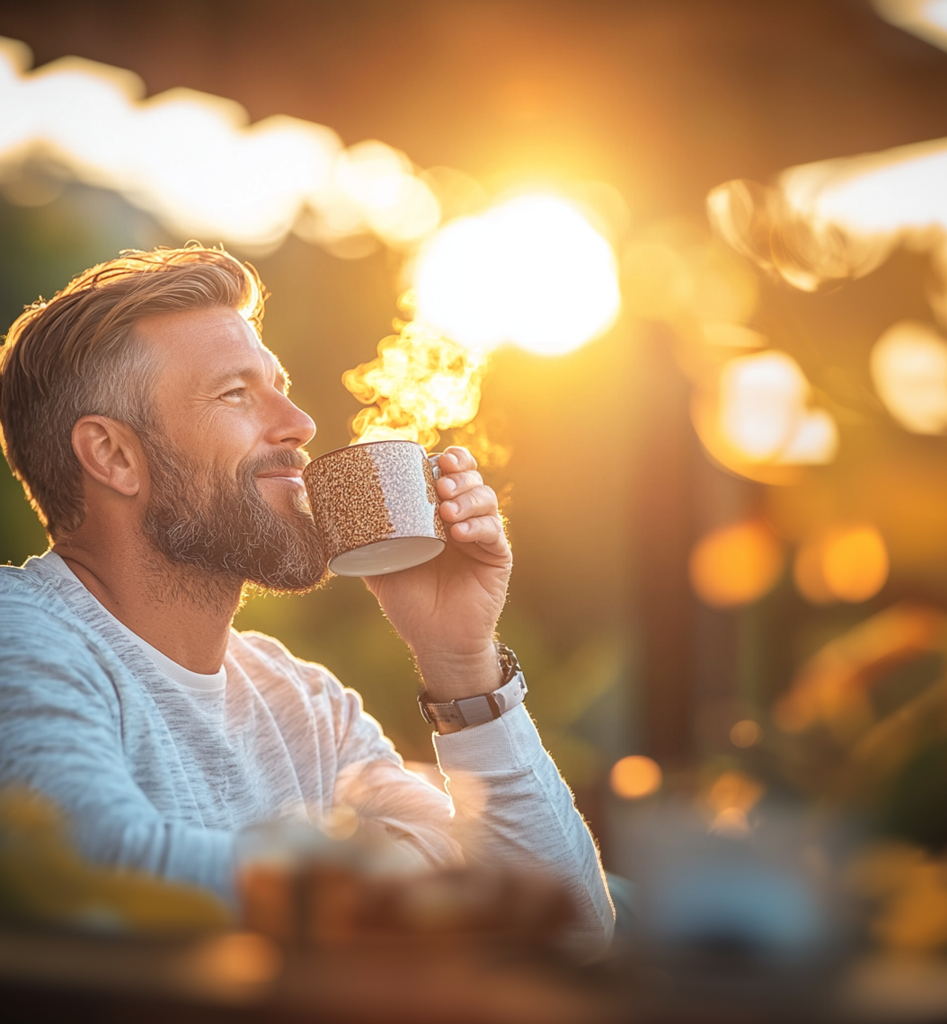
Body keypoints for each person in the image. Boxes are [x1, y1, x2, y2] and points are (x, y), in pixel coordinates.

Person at [0, 245, 614, 951]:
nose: (299, 422)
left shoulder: (303, 705)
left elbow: (575, 932)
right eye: (236, 393)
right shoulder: (21, 637)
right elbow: (89, 861)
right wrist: (405, 876)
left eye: (280, 385)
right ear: (113, 456)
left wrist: (461, 660)